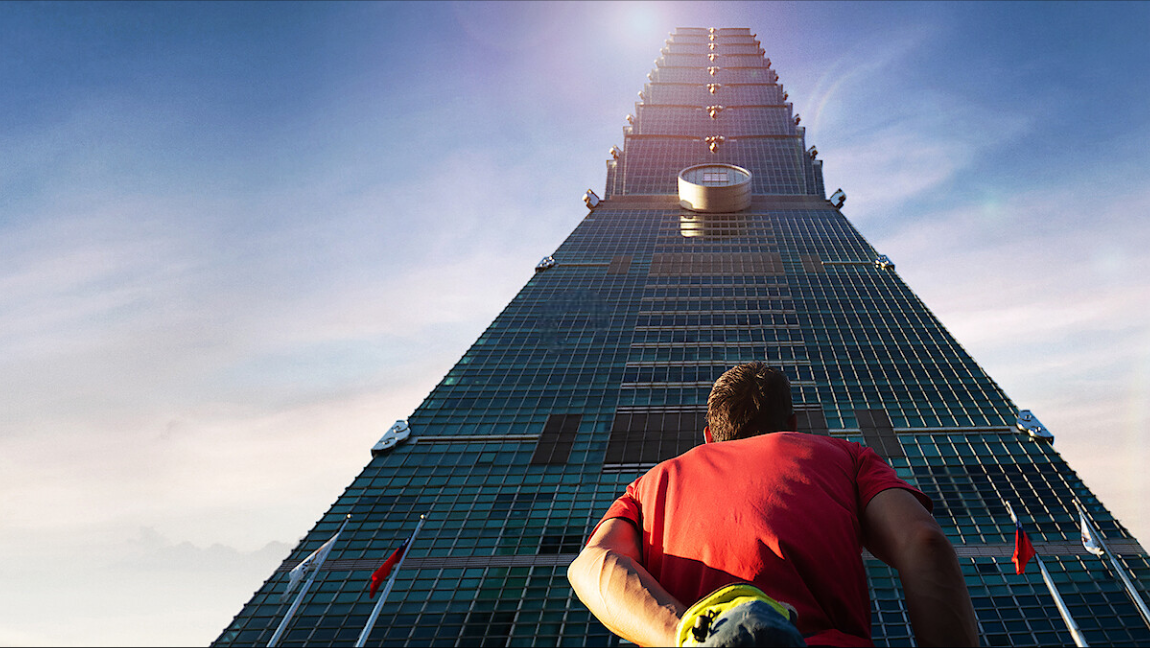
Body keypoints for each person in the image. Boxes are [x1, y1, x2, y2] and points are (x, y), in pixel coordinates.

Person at [568, 363, 978, 647]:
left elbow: (592, 565)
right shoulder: (847, 456)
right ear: (794, 427)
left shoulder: (651, 482)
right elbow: (924, 542)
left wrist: (692, 635)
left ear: (710, 436)